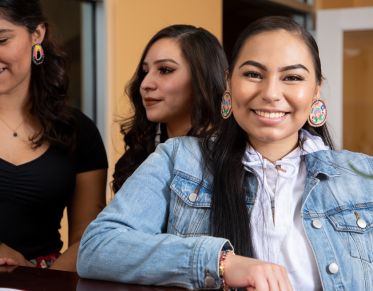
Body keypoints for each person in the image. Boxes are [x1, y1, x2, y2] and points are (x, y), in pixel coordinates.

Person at [77, 16, 373, 290]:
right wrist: (221, 262)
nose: (270, 93)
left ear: (316, 91)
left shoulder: (364, 178)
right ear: (229, 83)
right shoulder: (179, 159)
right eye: (254, 74)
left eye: (292, 77)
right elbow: (97, 248)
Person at [0, 0, 108, 271]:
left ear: (36, 34)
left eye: (2, 40)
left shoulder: (78, 130)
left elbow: (88, 239)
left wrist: (38, 281)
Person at [112, 24, 228, 192]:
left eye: (165, 70)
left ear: (203, 78)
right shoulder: (135, 158)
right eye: (145, 72)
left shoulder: (232, 158)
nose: (145, 84)